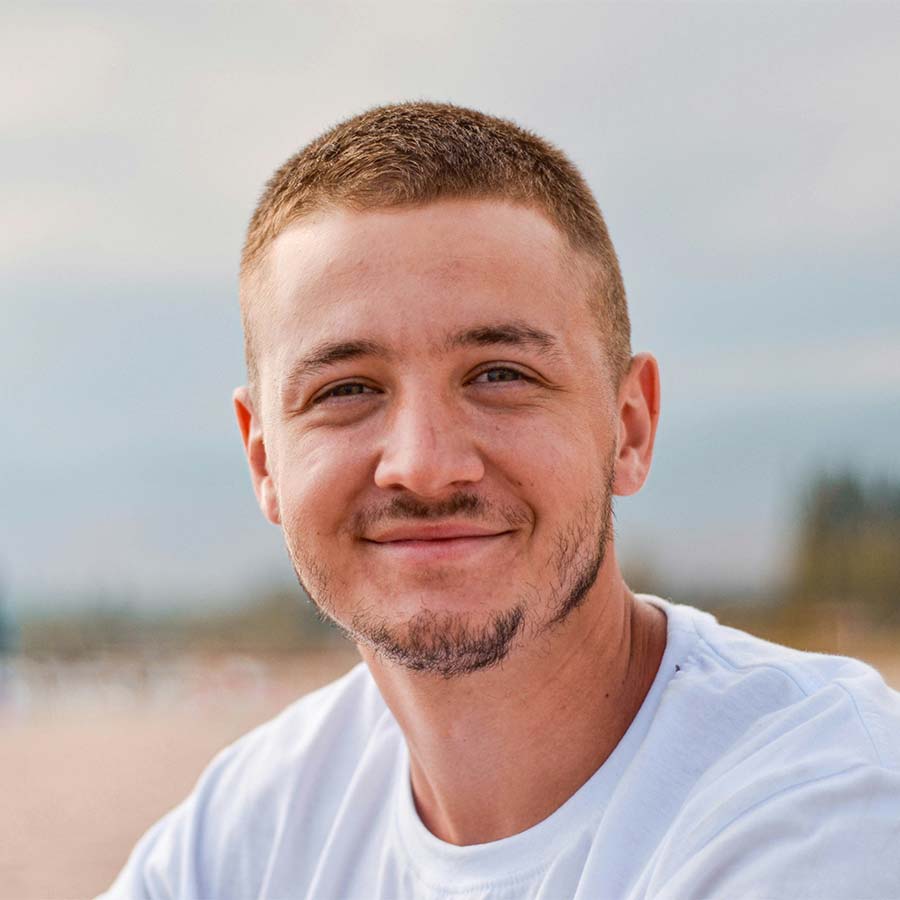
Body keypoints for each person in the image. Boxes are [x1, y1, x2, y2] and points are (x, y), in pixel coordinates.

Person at [102, 102, 900, 899]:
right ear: (264, 459)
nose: (423, 466)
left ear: (628, 428)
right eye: (347, 389)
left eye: (500, 375)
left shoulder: (822, 808)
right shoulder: (247, 833)